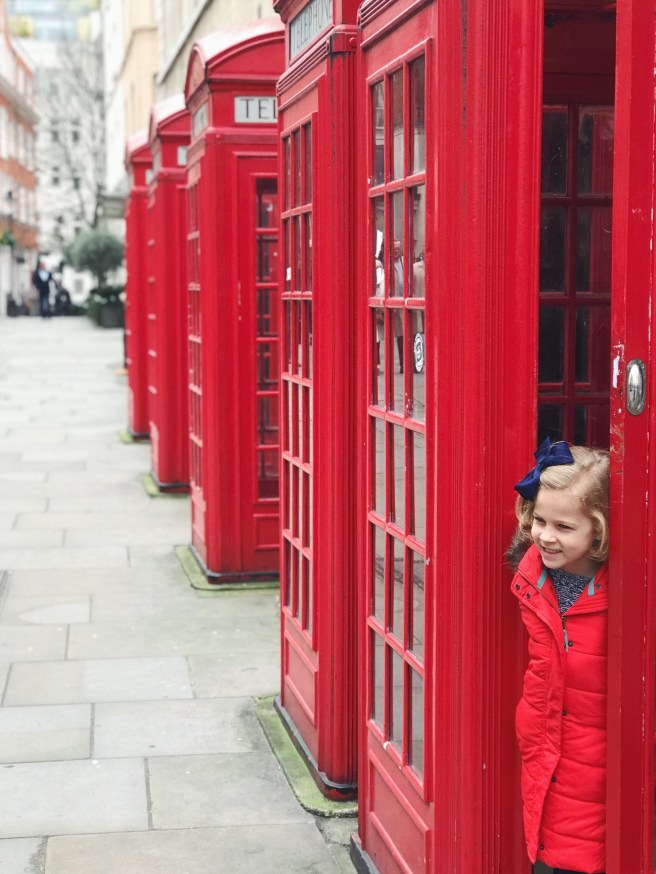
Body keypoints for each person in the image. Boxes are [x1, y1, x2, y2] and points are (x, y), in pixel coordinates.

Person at [508, 439, 609, 874]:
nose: (546, 536)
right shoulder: (531, 577)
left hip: (601, 756)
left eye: (564, 528)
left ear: (599, 530)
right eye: (540, 521)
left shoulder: (625, 594)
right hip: (543, 746)